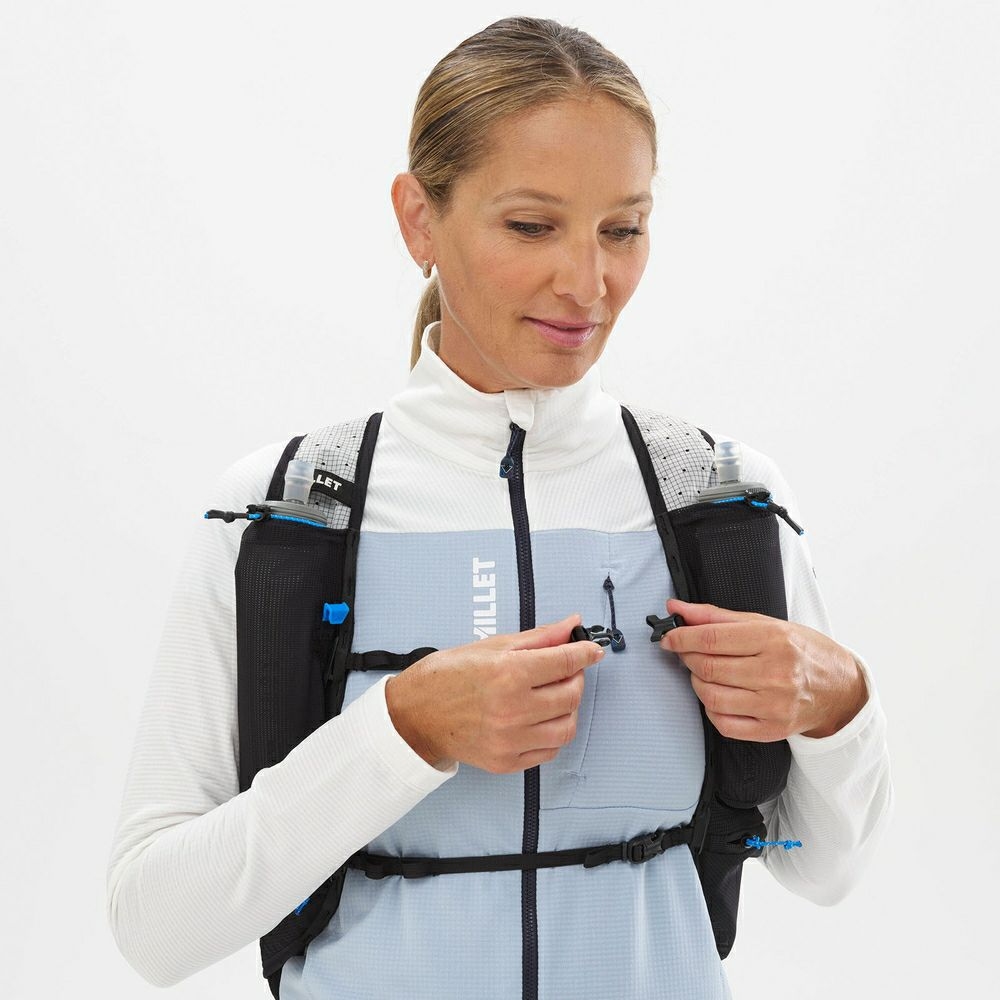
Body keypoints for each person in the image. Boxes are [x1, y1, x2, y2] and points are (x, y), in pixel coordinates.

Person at [106, 16, 892, 999]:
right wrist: (400, 728)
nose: (587, 284)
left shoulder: (723, 500)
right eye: (531, 226)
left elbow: (823, 870)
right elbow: (154, 926)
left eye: (622, 229)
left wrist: (842, 704)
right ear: (418, 219)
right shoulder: (279, 514)